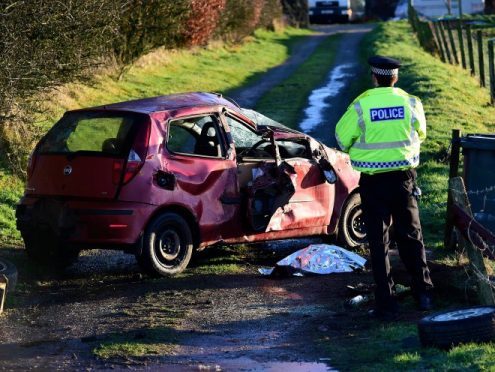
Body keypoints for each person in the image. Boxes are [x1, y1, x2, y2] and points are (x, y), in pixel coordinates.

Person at [335, 55, 434, 318]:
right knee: (412, 236)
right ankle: (423, 294)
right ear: (396, 77)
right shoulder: (411, 102)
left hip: (373, 182)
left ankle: (386, 302)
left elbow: (342, 138)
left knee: (378, 241)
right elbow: (421, 133)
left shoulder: (362, 105)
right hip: (403, 179)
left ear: (374, 77)